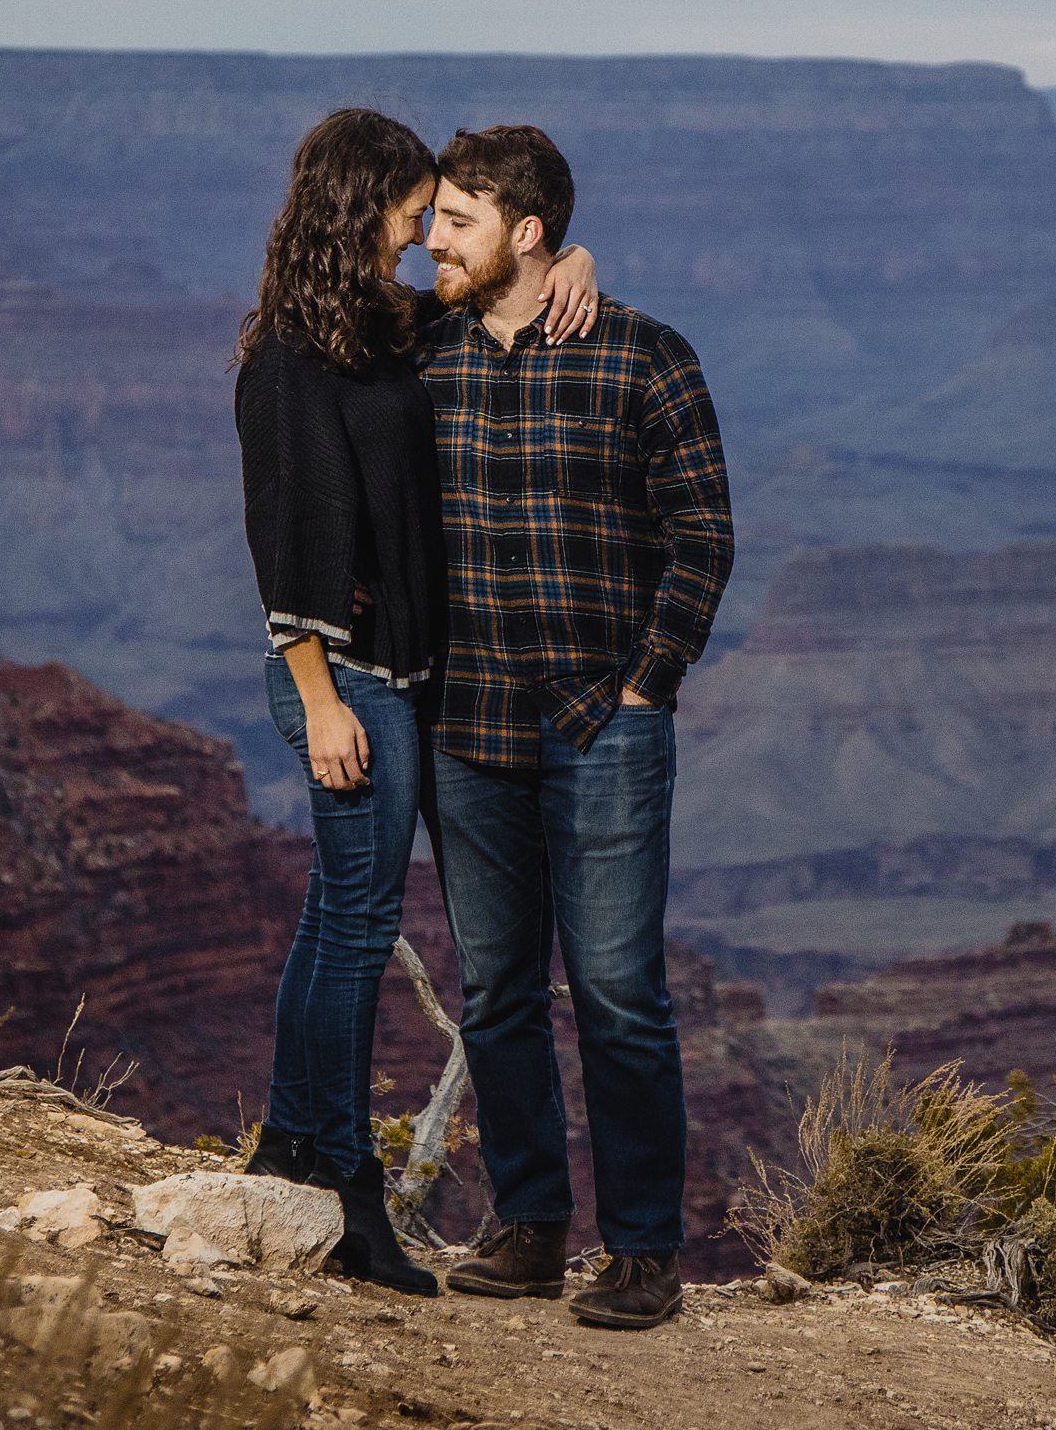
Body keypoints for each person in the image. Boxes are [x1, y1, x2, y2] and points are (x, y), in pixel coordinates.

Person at [230, 108, 598, 1296]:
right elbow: (282, 550)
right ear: (361, 201)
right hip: (347, 685)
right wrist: (321, 699)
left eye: (439, 208)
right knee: (355, 924)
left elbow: (504, 281)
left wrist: (574, 260)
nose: (426, 223)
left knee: (332, 916)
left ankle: (290, 1142)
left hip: (397, 679)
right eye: (412, 203)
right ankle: (346, 1192)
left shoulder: (381, 328)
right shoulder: (286, 362)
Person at [415, 125, 734, 1331]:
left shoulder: (645, 355)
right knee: (496, 986)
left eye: (456, 220)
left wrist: (651, 680)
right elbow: (310, 322)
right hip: (468, 722)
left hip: (606, 722)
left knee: (615, 989)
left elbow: (704, 534)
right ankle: (531, 1224)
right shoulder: (425, 351)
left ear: (528, 232)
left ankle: (645, 1248)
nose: (434, 241)